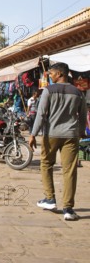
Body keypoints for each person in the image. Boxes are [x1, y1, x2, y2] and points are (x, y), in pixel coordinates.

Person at [29, 63, 88, 221]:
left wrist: (33, 134)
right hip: (71, 135)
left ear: (60, 74)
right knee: (70, 171)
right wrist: (81, 131)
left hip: (51, 134)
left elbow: (41, 114)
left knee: (46, 164)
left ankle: (50, 199)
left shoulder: (48, 90)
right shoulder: (77, 92)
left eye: (52, 73)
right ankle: (68, 209)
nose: (50, 76)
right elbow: (82, 115)